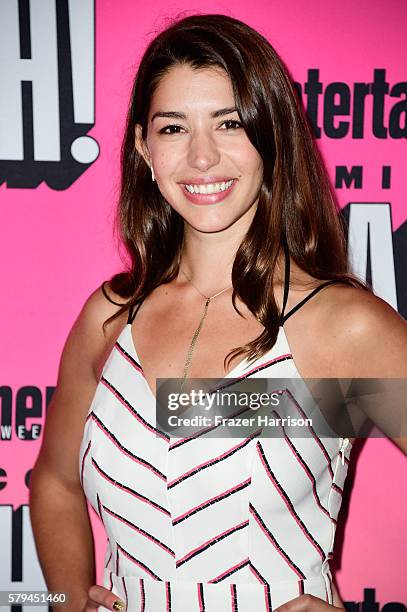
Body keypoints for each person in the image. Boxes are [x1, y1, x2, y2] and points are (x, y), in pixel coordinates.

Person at [29, 13, 407, 612]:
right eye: (174, 128)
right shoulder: (109, 317)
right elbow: (52, 481)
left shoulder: (341, 327)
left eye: (230, 123)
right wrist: (66, 599)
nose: (202, 157)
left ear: (272, 137)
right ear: (143, 149)